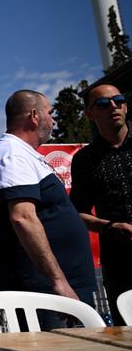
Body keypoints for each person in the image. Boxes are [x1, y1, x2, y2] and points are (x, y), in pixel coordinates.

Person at [0, 90, 96, 329]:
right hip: (45, 293)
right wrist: (58, 282)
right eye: (50, 112)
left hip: (59, 290)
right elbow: (23, 218)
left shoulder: (25, 155)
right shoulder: (12, 155)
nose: (53, 120)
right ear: (34, 115)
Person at [70, 83, 132, 326]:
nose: (113, 106)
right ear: (90, 113)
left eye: (119, 100)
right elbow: (79, 213)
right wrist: (110, 226)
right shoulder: (85, 160)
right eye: (104, 104)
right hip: (120, 264)